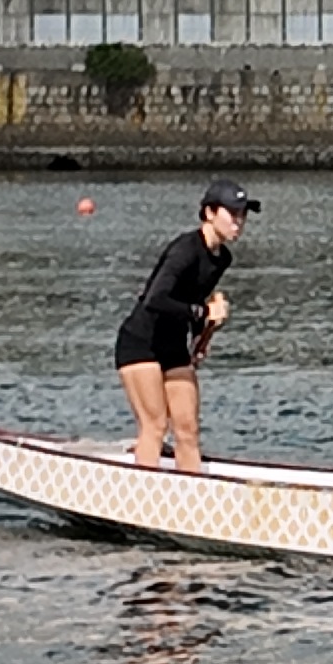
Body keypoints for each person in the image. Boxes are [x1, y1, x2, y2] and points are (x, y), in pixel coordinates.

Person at [114, 178, 253, 471]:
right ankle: (144, 497)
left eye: (243, 214)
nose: (239, 221)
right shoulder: (185, 249)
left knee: (187, 430)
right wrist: (203, 313)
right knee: (155, 425)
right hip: (140, 342)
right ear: (210, 213)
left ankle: (192, 494)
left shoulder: (222, 258)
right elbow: (155, 299)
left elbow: (192, 301)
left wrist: (203, 337)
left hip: (173, 344)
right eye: (233, 213)